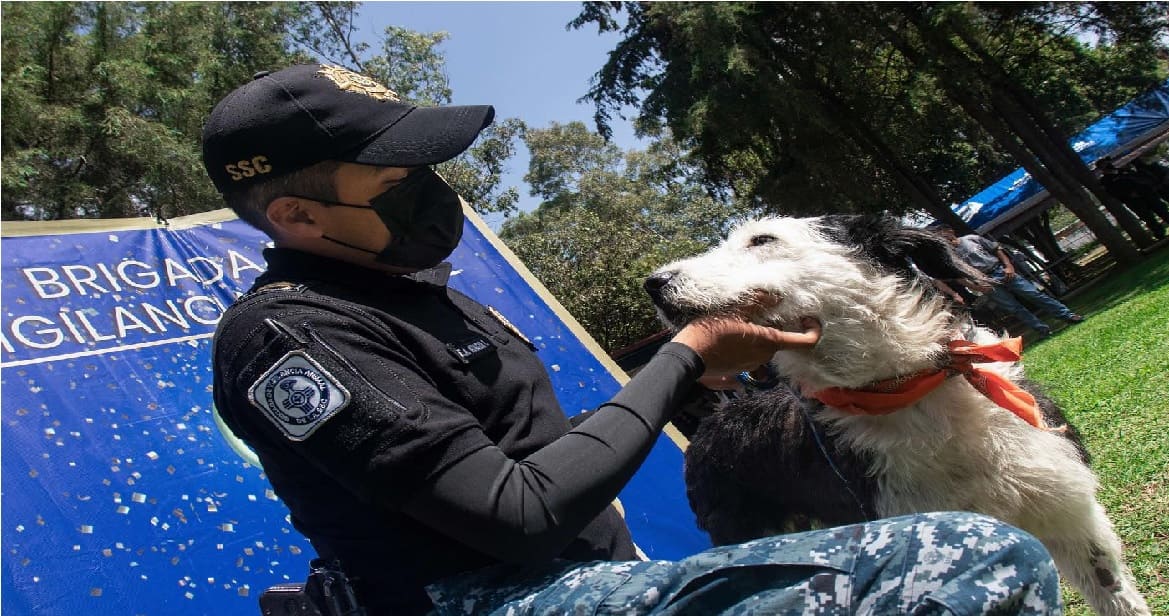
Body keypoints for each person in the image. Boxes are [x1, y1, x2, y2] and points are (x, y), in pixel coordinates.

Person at [204, 65, 1062, 615]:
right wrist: (684, 358)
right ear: (299, 215)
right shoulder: (289, 336)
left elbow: (523, 458)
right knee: (971, 556)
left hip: (593, 578)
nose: (432, 194)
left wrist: (691, 370)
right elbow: (518, 514)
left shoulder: (409, 297)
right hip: (490, 600)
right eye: (398, 181)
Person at [931, 226, 1084, 337]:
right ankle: (1042, 329)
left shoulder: (971, 239)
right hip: (986, 282)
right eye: (939, 237)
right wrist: (977, 287)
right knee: (1014, 308)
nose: (944, 237)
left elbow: (996, 249)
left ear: (951, 231)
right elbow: (957, 276)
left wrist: (1008, 266)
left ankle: (1067, 315)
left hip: (1000, 270)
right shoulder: (949, 257)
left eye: (943, 233)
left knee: (1034, 294)